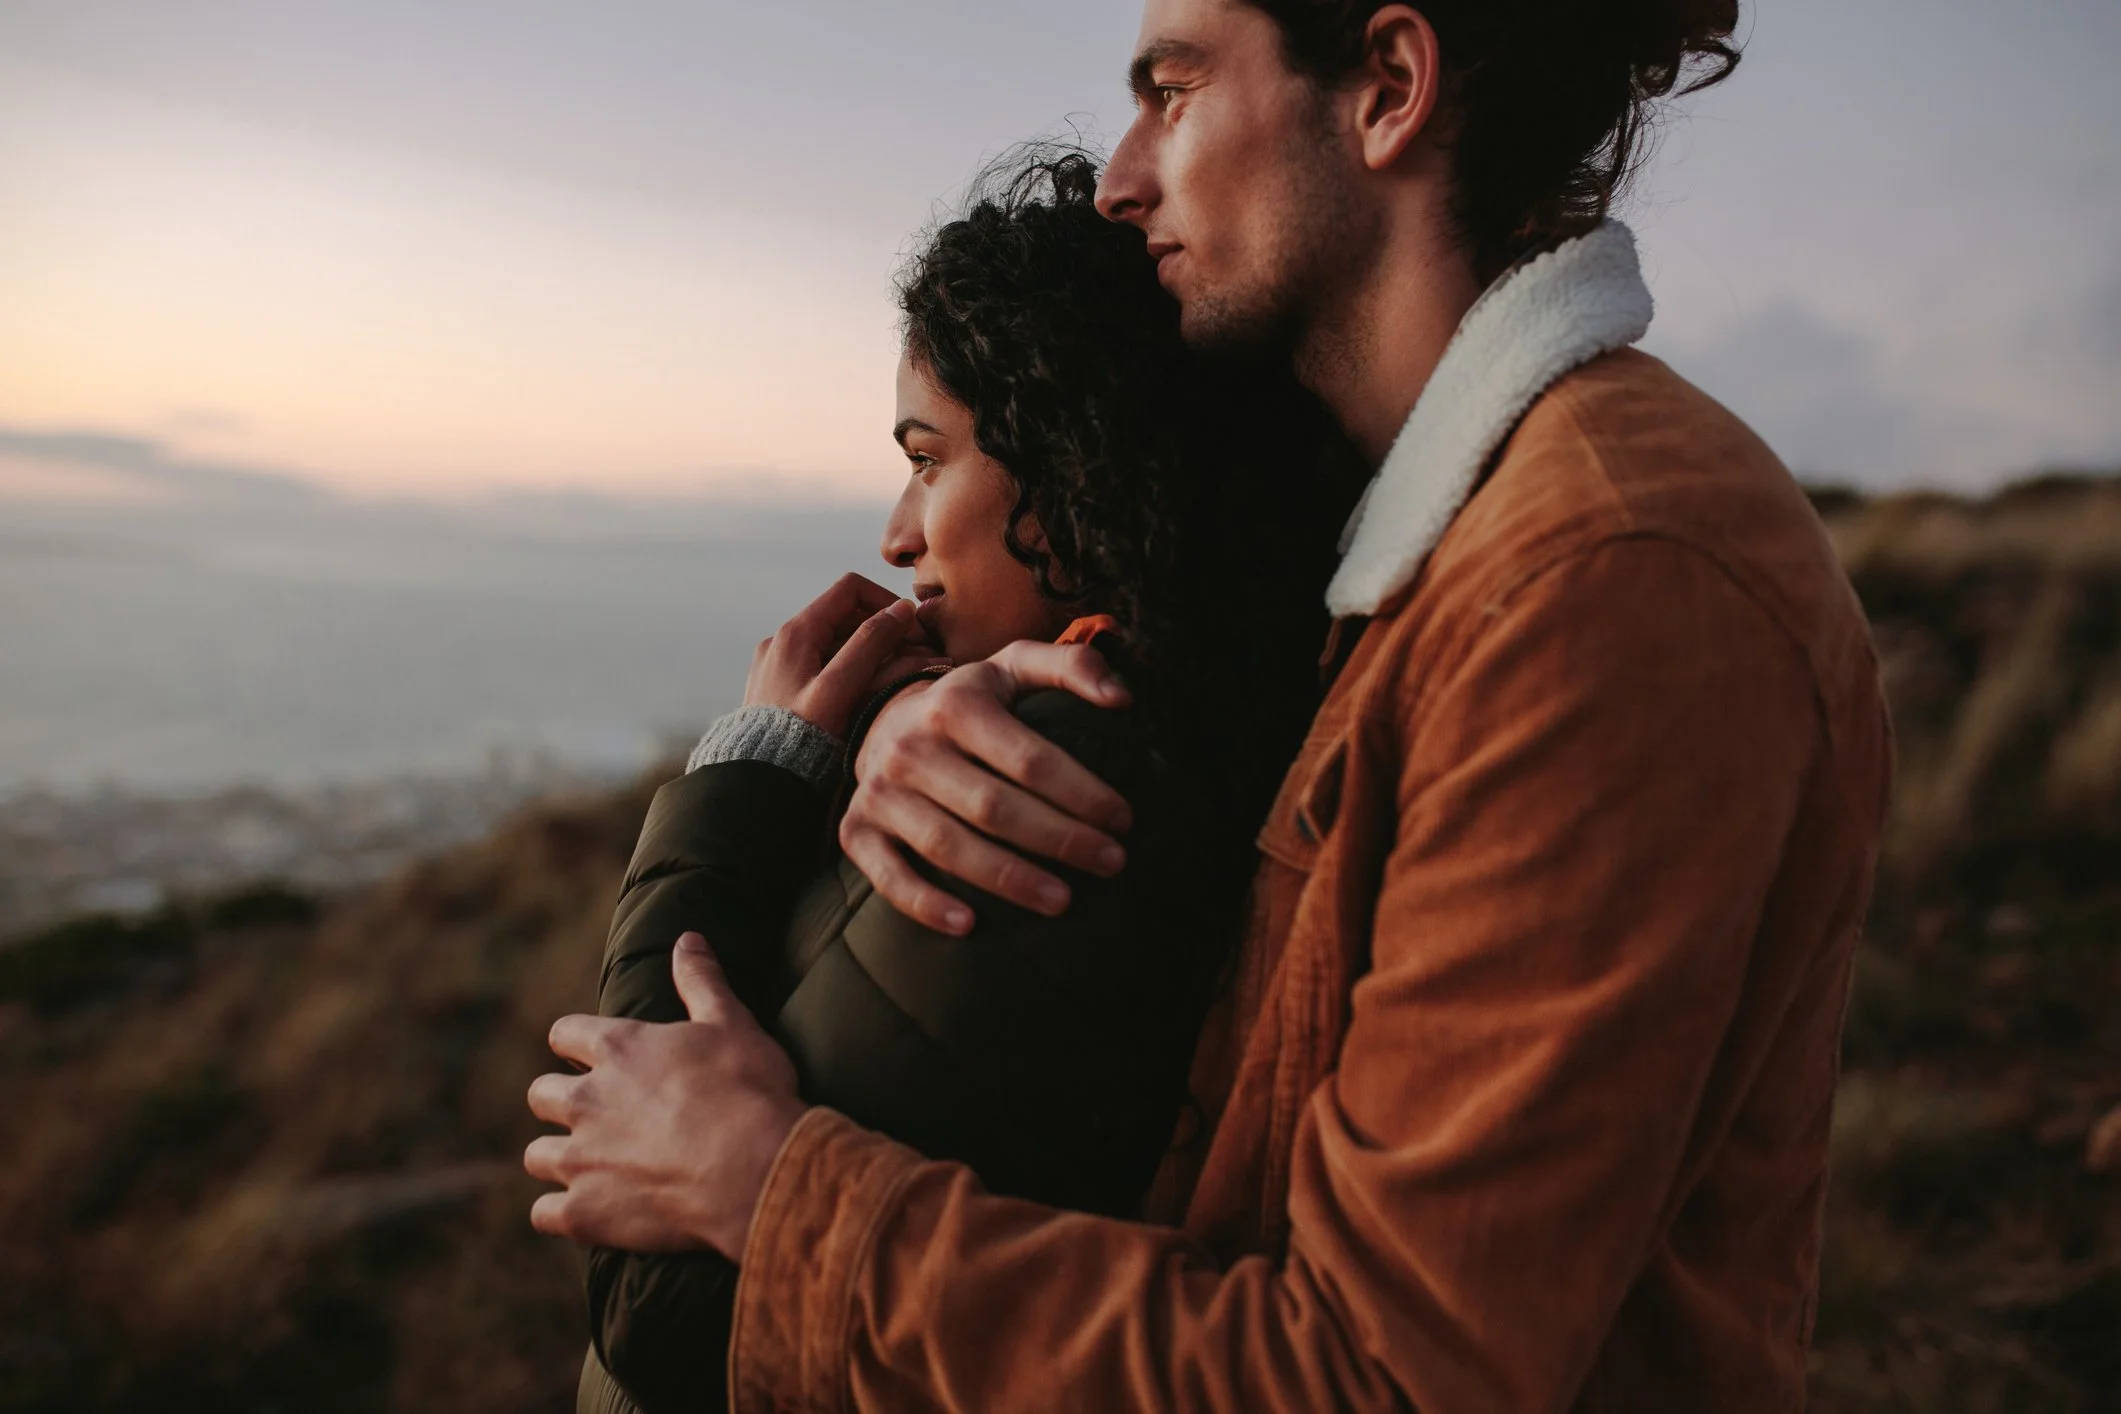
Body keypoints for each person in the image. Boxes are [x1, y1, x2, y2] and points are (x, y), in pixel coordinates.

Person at [528, 1, 1895, 1409]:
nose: (1122, 178)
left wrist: (777, 1198)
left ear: (1387, 88)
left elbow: (1376, 1379)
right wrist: (921, 712)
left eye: (1173, 92)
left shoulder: (1604, 581)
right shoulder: (1418, 544)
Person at [566, 152, 1361, 1414]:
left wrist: (746, 773)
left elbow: (655, 1320)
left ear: (1078, 463)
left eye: (929, 460)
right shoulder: (1152, 717)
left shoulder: (1049, 777)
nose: (895, 533)